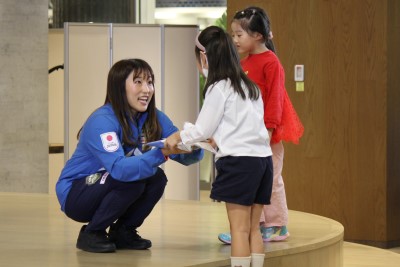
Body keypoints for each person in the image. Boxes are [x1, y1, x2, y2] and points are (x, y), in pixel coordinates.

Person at [55, 58, 203, 253]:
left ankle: (123, 231)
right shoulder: (102, 121)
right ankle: (92, 233)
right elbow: (119, 169)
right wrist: (162, 152)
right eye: (138, 82)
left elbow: (183, 156)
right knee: (132, 179)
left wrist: (196, 143)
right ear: (119, 87)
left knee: (156, 178)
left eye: (150, 82)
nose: (147, 89)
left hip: (112, 182)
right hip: (77, 193)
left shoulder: (154, 117)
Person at [165, 26, 273, 267]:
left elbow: (201, 129)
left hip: (240, 164)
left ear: (204, 57)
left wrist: (178, 136)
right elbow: (242, 129)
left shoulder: (218, 87)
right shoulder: (250, 87)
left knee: (238, 229)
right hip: (263, 162)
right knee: (253, 229)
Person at [218, 6, 304, 245]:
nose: (234, 39)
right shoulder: (244, 62)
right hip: (248, 135)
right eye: (233, 35)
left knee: (272, 178)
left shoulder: (271, 62)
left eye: (239, 35)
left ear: (257, 36)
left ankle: (277, 225)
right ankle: (252, 226)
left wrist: (268, 129)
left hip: (266, 135)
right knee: (253, 180)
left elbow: (276, 98)